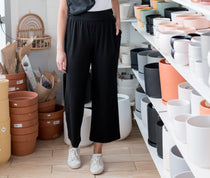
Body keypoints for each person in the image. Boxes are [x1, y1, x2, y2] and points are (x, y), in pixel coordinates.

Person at [56, 0, 121, 175]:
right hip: (77, 26)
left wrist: (118, 19)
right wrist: (60, 49)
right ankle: (73, 146)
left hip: (106, 27)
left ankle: (98, 152)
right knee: (73, 91)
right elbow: (63, 10)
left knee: (105, 90)